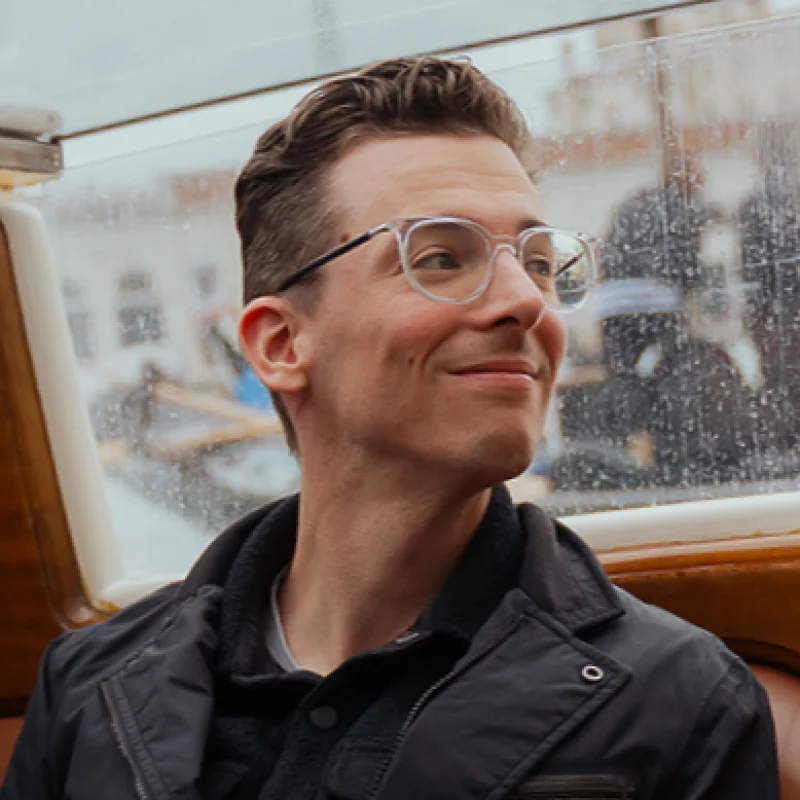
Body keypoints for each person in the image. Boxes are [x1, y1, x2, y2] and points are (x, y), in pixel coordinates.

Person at [2, 57, 778, 799]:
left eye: (538, 263)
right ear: (282, 344)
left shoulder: (679, 703)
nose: (525, 301)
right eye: (440, 258)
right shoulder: (88, 686)